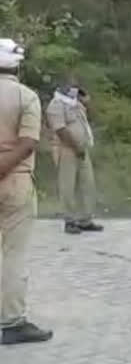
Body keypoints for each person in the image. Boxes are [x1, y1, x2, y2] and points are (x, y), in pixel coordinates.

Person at [0, 38, 54, 345]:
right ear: (16, 64)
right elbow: (28, 143)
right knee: (14, 255)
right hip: (16, 181)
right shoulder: (26, 96)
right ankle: (12, 323)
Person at [46, 79, 102, 235]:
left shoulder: (75, 104)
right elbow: (61, 130)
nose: (74, 90)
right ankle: (69, 221)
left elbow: (90, 117)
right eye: (71, 87)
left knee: (87, 184)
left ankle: (85, 220)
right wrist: (76, 147)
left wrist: (86, 98)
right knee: (68, 186)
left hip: (82, 150)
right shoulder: (56, 105)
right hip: (66, 150)